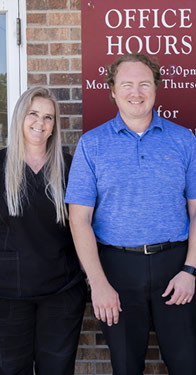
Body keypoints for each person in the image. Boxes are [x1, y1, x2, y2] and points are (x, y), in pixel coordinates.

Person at [65, 53, 196, 375]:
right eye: (127, 84)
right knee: (126, 366)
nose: (136, 92)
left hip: (175, 268)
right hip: (116, 270)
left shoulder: (184, 140)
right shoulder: (92, 145)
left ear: (156, 89)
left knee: (187, 365)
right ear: (113, 91)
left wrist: (190, 270)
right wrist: (98, 282)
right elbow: (79, 220)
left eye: (144, 84)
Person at [0, 87, 87, 375]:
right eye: (33, 113)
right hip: (9, 293)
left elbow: (84, 227)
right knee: (11, 369)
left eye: (48, 117)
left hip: (61, 291)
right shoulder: (1, 165)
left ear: (54, 126)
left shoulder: (70, 168)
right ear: (20, 118)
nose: (40, 122)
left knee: (58, 370)